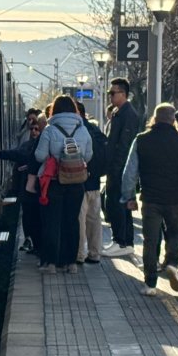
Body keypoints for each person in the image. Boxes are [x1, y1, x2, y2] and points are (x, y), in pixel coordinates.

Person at [121, 104, 178, 296]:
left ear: (154, 119)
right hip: (176, 198)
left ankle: (150, 283)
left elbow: (130, 172)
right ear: (174, 120)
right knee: (175, 233)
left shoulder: (141, 140)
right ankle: (172, 263)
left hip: (150, 199)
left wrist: (129, 196)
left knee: (151, 240)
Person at [35, 96, 93, 273]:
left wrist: (56, 158)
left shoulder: (50, 130)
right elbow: (89, 155)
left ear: (54, 110)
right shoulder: (83, 129)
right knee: (72, 221)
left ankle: (51, 263)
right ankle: (71, 263)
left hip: (54, 182)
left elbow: (39, 156)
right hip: (76, 182)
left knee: (53, 222)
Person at [102, 78, 141, 257]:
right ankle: (123, 241)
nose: (110, 96)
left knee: (118, 204)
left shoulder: (128, 114)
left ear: (123, 94)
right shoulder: (119, 112)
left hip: (120, 168)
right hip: (116, 167)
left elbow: (124, 145)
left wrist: (116, 168)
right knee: (119, 204)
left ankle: (122, 241)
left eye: (113, 93)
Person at [0, 115, 46, 255]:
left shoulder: (39, 143)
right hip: (32, 188)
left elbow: (21, 156)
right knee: (30, 215)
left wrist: (1, 154)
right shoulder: (31, 143)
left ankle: (34, 243)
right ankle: (32, 242)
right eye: (32, 128)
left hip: (34, 188)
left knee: (32, 216)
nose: (34, 131)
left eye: (37, 128)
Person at [76, 107, 108, 265]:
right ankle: (95, 253)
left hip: (80, 182)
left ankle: (80, 254)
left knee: (80, 220)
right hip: (95, 182)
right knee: (95, 220)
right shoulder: (95, 129)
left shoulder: (78, 131)